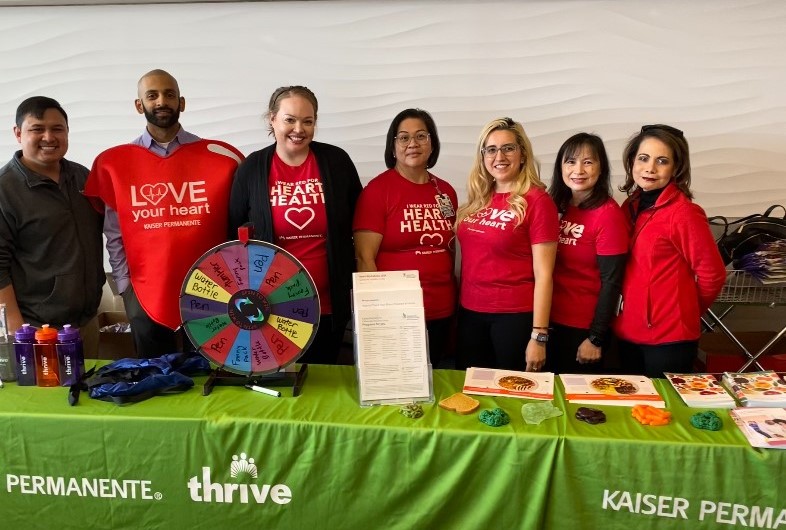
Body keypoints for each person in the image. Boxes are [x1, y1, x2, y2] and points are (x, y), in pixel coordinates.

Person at [86, 69, 243, 358]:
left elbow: (237, 226)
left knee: (210, 373)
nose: (162, 101)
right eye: (152, 95)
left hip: (214, 289)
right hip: (144, 291)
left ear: (181, 102)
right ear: (139, 105)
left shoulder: (221, 158)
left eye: (169, 94)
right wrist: (125, 287)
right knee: (157, 378)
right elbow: (114, 232)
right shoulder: (115, 164)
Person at [228, 86, 362, 365]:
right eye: (290, 119)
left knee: (325, 379)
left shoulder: (336, 162)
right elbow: (233, 236)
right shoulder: (252, 168)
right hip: (271, 305)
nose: (299, 129)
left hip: (329, 302)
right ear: (272, 119)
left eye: (308, 121)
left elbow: (359, 223)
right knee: (284, 383)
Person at [612, 124, 726, 377]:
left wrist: (683, 310)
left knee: (667, 413)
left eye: (662, 161)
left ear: (676, 168)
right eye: (643, 158)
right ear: (632, 161)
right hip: (628, 330)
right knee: (634, 409)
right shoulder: (629, 206)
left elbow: (713, 275)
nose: (650, 168)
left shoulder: (684, 213)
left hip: (670, 337)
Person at [0, 96, 104, 356]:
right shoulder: (5, 189)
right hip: (37, 329)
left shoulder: (83, 177)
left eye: (57, 129)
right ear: (18, 133)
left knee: (88, 393)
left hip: (86, 321)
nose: (49, 137)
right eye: (37, 129)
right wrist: (17, 331)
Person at [353, 109, 458, 367]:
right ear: (393, 146)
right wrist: (374, 315)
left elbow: (453, 252)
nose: (413, 144)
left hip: (443, 309)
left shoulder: (445, 191)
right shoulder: (377, 191)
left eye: (421, 136)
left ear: (432, 144)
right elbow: (364, 258)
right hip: (396, 314)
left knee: (442, 383)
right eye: (403, 137)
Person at [454, 117, 558, 372]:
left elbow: (545, 275)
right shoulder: (479, 198)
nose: (499, 156)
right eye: (491, 149)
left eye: (508, 148)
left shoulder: (537, 201)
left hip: (514, 318)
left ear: (522, 153)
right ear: (483, 156)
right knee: (473, 394)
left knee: (512, 395)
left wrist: (539, 336)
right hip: (470, 313)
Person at [545, 133, 628, 374]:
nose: (578, 170)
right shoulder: (556, 205)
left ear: (601, 168)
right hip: (548, 322)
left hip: (582, 328)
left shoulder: (608, 215)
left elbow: (612, 282)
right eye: (570, 161)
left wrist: (596, 338)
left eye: (588, 162)